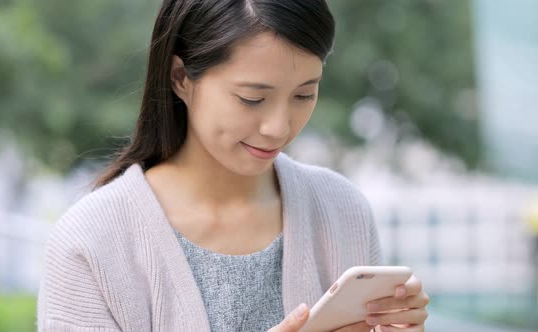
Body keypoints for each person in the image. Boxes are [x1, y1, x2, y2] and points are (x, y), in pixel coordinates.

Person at [36, 0, 429, 331]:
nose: (279, 128)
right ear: (180, 78)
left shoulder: (342, 211)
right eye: (252, 99)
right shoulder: (90, 242)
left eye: (304, 95)